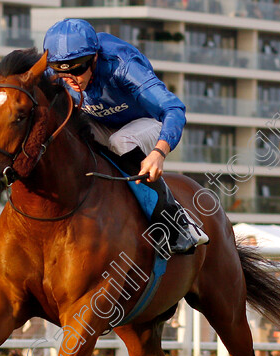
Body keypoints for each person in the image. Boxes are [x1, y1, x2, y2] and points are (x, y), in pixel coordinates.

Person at [42, 18, 208, 254]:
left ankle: (174, 219)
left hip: (147, 123)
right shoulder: (56, 72)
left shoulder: (122, 65)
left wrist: (159, 153)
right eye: (61, 71)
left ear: (95, 58)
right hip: (101, 124)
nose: (70, 79)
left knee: (120, 141)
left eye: (77, 69)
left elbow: (174, 108)